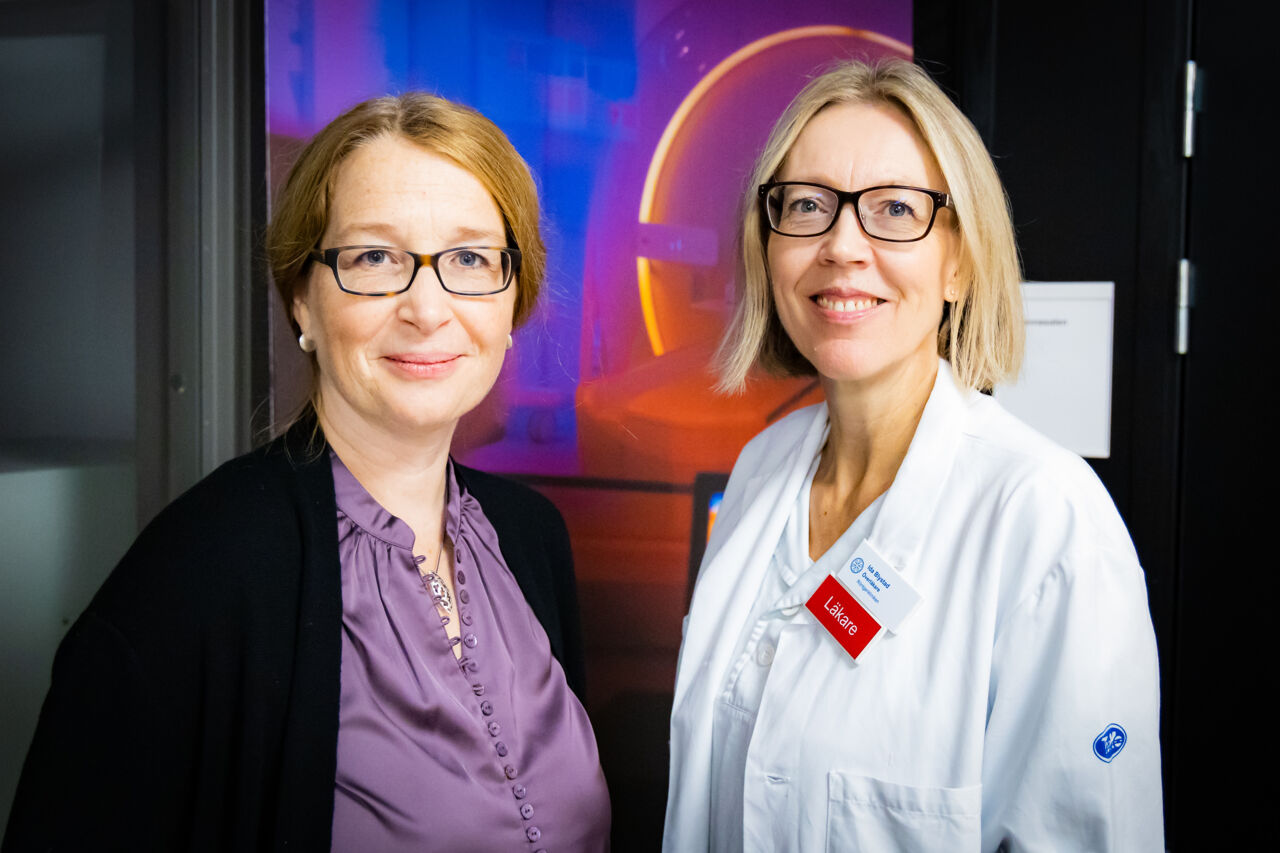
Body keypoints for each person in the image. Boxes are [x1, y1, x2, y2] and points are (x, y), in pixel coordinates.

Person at [4, 93, 610, 851]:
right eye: (374, 258)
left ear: (512, 294)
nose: (428, 307)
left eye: (469, 259)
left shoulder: (529, 537)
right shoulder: (199, 572)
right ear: (302, 298)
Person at [663, 59, 1162, 851]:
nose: (842, 246)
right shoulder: (761, 471)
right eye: (807, 206)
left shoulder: (1044, 517)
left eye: (895, 209)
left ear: (959, 261)